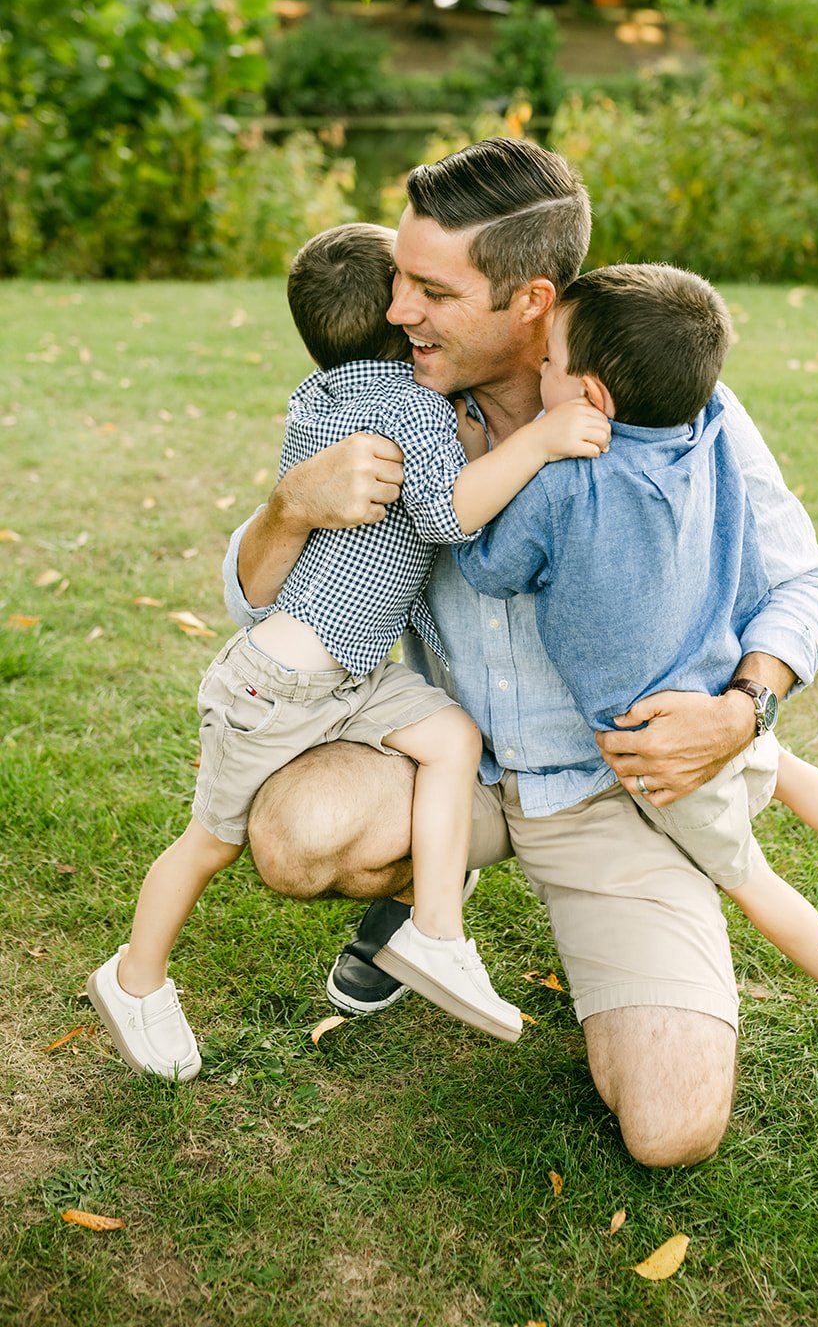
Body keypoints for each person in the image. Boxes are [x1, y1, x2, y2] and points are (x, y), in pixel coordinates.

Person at [223, 136, 818, 1168]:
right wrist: (288, 507)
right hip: (448, 764)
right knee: (293, 838)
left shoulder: (662, 401)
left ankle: (635, 929)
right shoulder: (389, 398)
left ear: (529, 301)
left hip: (612, 791)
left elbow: (800, 582)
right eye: (397, 282)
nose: (396, 311)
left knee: (671, 1130)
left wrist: (742, 710)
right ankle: (435, 891)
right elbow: (263, 609)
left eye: (429, 289)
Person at [88, 220, 611, 1080]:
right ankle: (135, 977)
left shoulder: (316, 395)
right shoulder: (409, 403)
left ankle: (436, 932)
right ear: (400, 323)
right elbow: (448, 515)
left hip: (350, 670)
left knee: (449, 738)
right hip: (281, 683)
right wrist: (539, 440)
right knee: (208, 843)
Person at [455, 262, 818, 1062]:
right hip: (715, 686)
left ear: (593, 399)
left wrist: (509, 455)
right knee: (783, 767)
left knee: (748, 876)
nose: (538, 371)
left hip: (651, 735)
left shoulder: (561, 486)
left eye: (548, 362)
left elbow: (485, 567)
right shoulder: (706, 434)